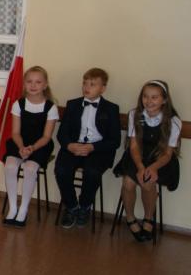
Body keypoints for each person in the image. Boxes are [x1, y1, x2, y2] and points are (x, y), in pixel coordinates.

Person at [113, 80, 181, 242]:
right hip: (137, 156)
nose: (149, 101)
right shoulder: (134, 114)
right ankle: (130, 217)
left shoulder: (173, 120)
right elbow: (134, 146)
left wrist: (153, 168)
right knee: (128, 182)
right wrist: (140, 166)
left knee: (147, 182)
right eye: (145, 96)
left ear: (164, 100)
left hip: (160, 159)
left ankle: (149, 218)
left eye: (154, 97)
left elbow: (167, 153)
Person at [55, 68, 121, 229]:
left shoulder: (111, 109)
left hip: (97, 150)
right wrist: (70, 145)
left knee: (92, 172)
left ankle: (85, 206)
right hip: (74, 147)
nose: (87, 87)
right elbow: (62, 134)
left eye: (92, 84)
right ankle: (71, 206)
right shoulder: (72, 105)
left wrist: (92, 147)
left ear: (103, 88)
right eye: (85, 83)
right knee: (61, 170)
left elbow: (115, 141)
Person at [2, 66, 58, 228]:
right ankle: (13, 207)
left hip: (40, 145)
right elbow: (15, 132)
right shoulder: (18, 104)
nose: (33, 85)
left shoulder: (51, 107)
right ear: (24, 84)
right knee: (10, 166)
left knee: (30, 168)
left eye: (38, 82)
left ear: (45, 85)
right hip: (19, 141)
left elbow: (46, 137)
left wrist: (32, 148)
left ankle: (23, 209)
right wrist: (21, 147)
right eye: (29, 82)